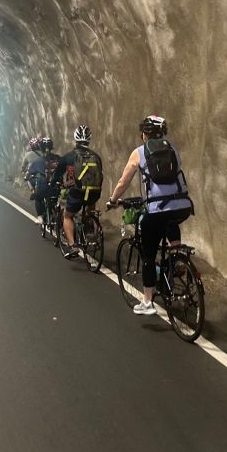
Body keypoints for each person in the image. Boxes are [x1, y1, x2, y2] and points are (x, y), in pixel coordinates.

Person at [106, 115, 192, 315]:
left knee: (148, 254)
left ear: (144, 134)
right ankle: (177, 255)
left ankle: (147, 302)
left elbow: (123, 181)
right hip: (182, 206)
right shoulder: (173, 150)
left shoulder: (139, 153)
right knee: (170, 219)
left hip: (156, 209)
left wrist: (113, 200)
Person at [52, 125, 103, 258]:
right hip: (94, 193)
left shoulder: (68, 157)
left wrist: (54, 183)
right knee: (90, 205)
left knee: (68, 216)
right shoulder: (96, 157)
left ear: (75, 139)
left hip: (77, 193)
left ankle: (72, 245)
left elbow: (57, 175)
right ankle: (90, 226)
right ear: (89, 139)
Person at [26, 137, 60, 221]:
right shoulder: (58, 158)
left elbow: (29, 173)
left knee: (37, 198)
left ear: (41, 148)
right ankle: (56, 214)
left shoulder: (37, 161)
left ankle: (40, 217)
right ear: (51, 147)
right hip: (56, 188)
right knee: (55, 199)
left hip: (43, 188)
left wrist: (27, 177)